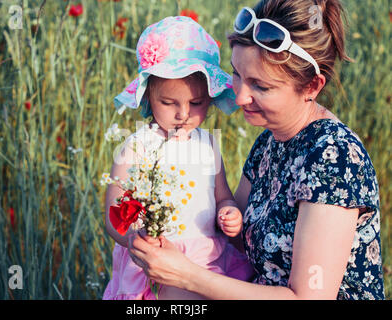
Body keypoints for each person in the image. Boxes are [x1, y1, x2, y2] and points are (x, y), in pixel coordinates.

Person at [129, 0, 385, 300]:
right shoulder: (270, 141)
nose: (239, 97)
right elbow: (235, 238)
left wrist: (186, 275)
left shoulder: (334, 158)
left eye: (260, 86)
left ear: (312, 87)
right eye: (237, 74)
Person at [103, 16, 254, 300]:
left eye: (195, 103)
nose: (183, 114)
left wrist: (229, 212)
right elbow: (114, 211)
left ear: (210, 99)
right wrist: (134, 239)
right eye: (169, 103)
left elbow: (222, 196)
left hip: (204, 258)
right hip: (154, 259)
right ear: (148, 97)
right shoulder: (137, 146)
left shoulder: (208, 145)